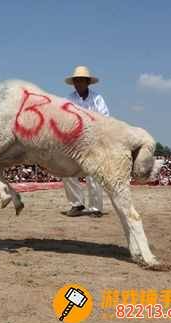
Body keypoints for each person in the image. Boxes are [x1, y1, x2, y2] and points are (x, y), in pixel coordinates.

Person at [62, 66, 110, 218]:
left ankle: (96, 208)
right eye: (76, 81)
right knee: (67, 172)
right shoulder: (69, 99)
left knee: (93, 175)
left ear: (88, 82)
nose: (78, 83)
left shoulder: (97, 99)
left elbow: (105, 118)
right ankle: (77, 204)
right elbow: (65, 118)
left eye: (81, 80)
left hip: (93, 140)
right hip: (74, 141)